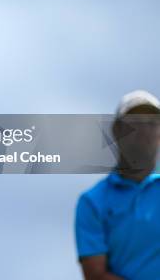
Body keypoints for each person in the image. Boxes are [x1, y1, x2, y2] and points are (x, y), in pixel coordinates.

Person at [75, 90, 160, 280]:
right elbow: (96, 275)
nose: (144, 130)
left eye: (152, 123)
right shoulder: (92, 202)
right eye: (135, 123)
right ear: (117, 130)